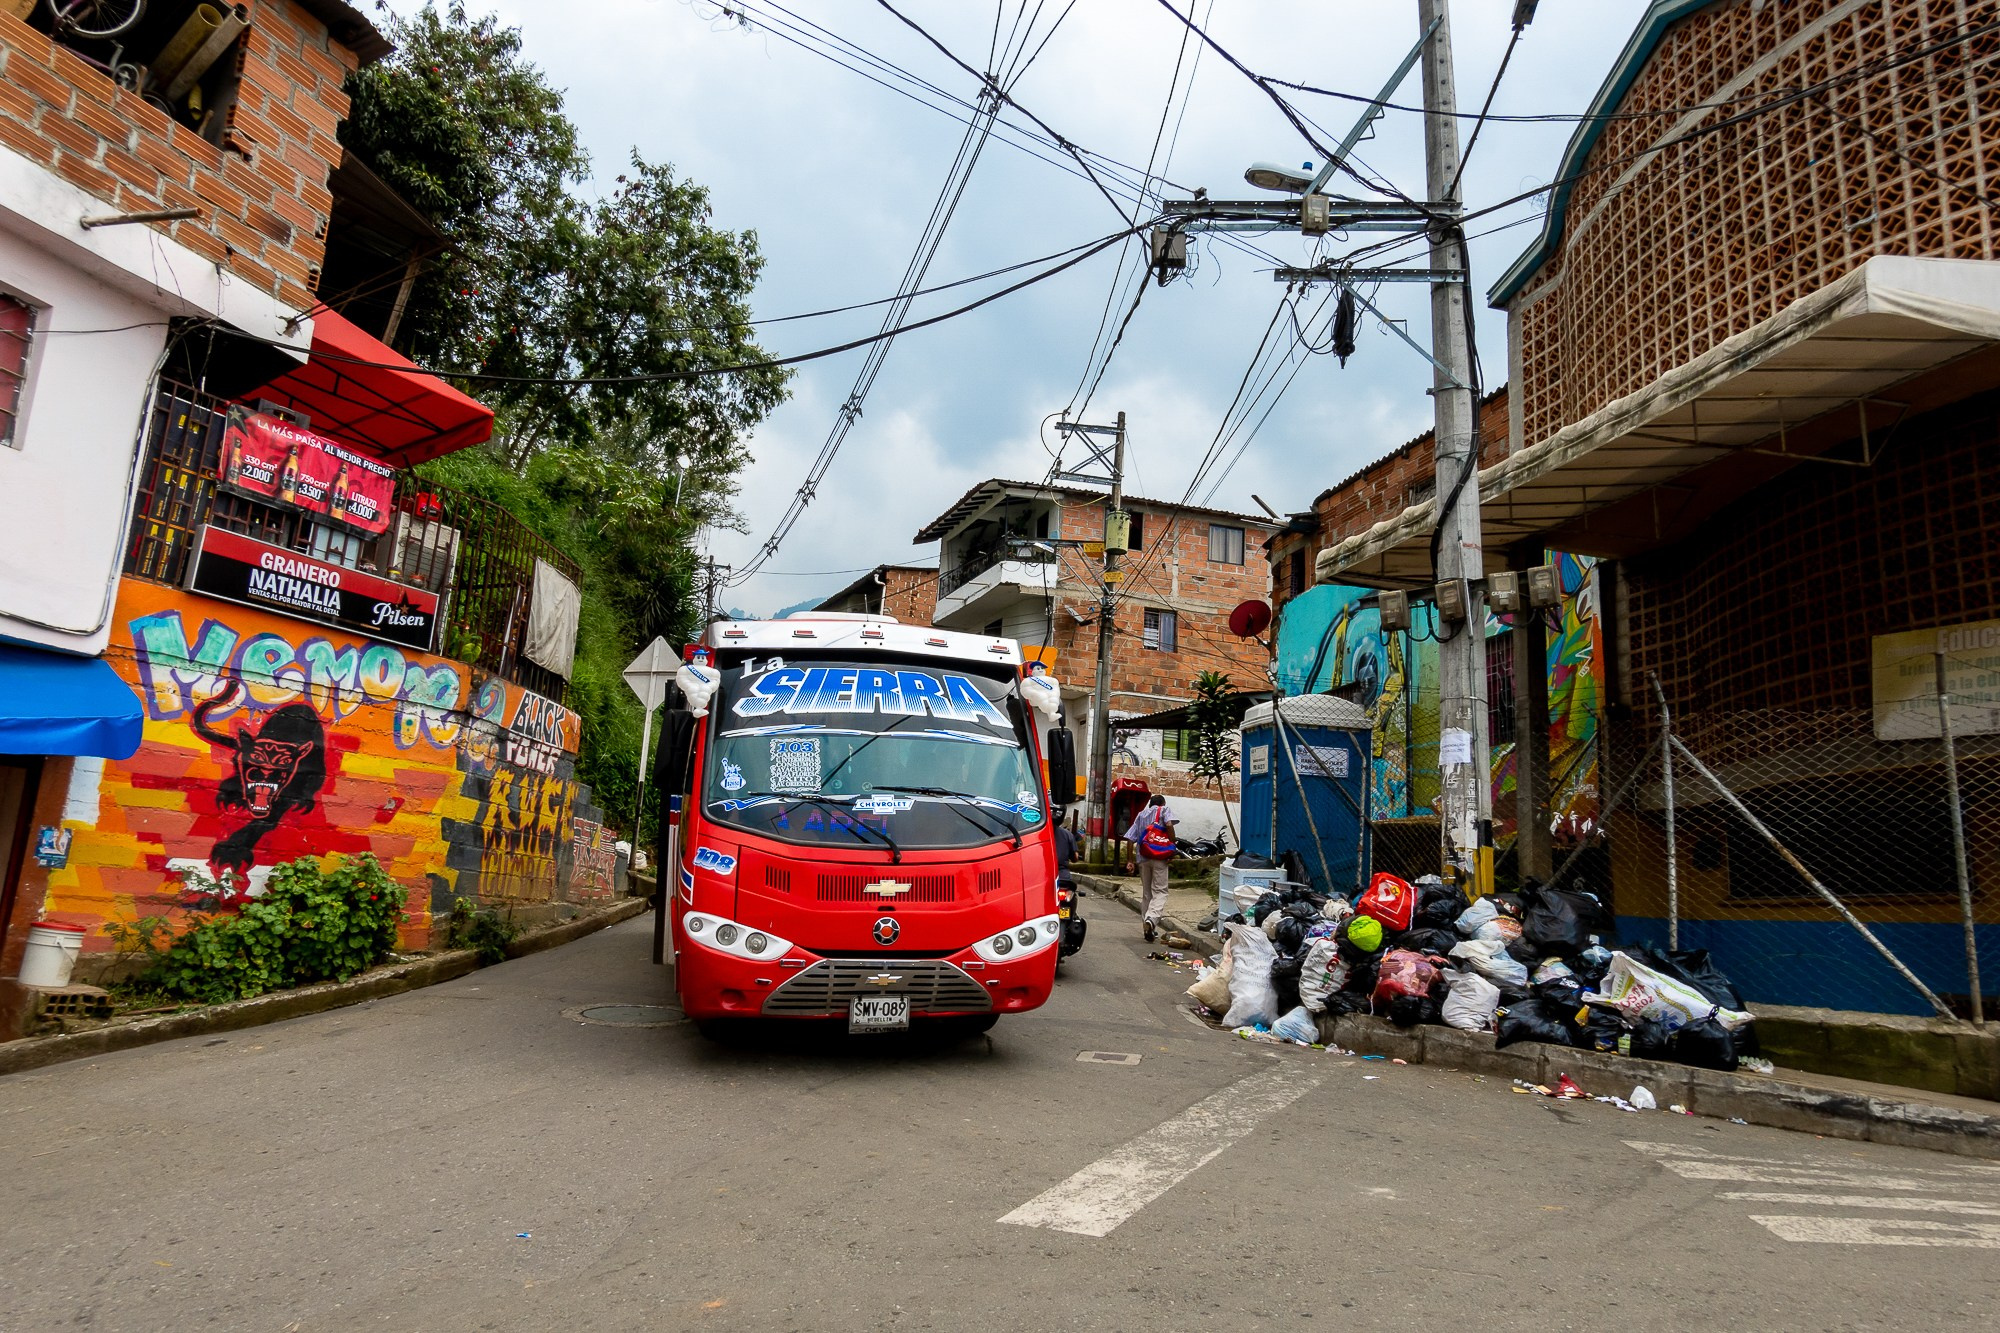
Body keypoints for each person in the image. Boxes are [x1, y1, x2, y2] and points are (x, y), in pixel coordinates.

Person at [1123, 794, 1177, 942]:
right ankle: (1151, 920)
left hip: (1143, 858)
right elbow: (1169, 825)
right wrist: (1173, 846)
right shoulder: (1164, 810)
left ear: (1149, 804)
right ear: (1162, 803)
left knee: (1147, 894)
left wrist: (1130, 860)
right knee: (1160, 891)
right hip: (1159, 857)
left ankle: (1148, 928)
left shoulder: (1141, 815)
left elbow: (1130, 838)